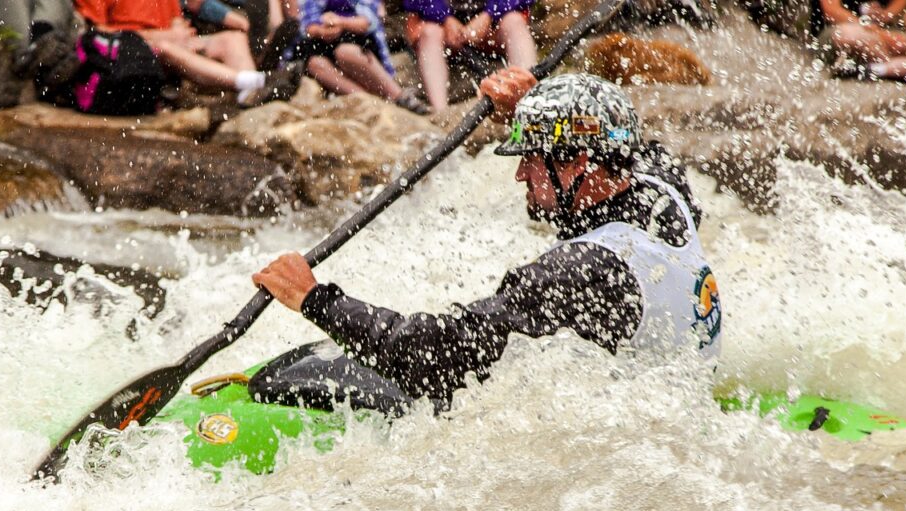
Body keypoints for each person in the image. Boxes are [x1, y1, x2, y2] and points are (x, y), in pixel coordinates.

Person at [252, 68, 723, 406]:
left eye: (532, 158)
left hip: (632, 434)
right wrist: (535, 104)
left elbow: (436, 354)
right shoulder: (664, 189)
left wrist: (314, 299)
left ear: (577, 163)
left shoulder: (583, 271)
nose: (520, 174)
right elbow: (631, 142)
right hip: (683, 397)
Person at [74, 0, 301, 107]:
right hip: (132, 50)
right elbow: (95, 33)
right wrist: (160, 37)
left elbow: (178, 17)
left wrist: (181, 33)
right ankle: (257, 81)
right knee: (166, 48)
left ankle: (249, 97)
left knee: (232, 39)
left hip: (175, 41)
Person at [289, 0, 428, 113]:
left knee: (345, 52)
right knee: (315, 63)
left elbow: (369, 22)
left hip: (359, 40)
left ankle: (399, 96)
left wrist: (340, 22)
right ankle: (369, 101)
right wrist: (321, 31)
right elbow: (307, 25)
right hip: (325, 42)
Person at [403, 0, 537, 112]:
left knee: (514, 21)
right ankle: (441, 112)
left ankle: (531, 96)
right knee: (430, 32)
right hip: (442, 30)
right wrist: (444, 18)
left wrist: (489, 14)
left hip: (493, 29)